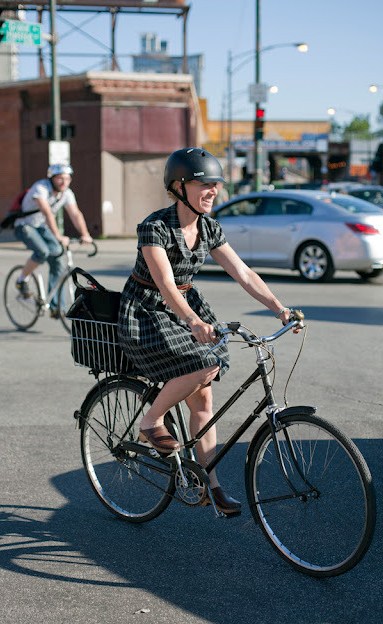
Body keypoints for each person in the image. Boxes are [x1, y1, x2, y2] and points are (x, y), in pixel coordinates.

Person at [118, 148, 299, 516]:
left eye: (216, 184)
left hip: (186, 305)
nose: (214, 190)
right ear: (179, 186)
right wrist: (192, 321)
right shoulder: (155, 227)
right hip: (147, 310)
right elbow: (165, 283)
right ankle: (150, 421)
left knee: (203, 399)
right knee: (204, 365)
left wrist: (279, 309)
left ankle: (210, 485)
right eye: (205, 184)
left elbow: (244, 273)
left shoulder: (210, 228)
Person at [13, 164, 93, 316]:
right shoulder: (40, 188)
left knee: (57, 258)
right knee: (42, 252)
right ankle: (22, 279)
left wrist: (85, 234)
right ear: (52, 178)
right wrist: (58, 236)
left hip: (42, 228)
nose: (64, 182)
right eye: (60, 178)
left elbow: (75, 214)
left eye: (67, 179)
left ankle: (55, 306)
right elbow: (47, 213)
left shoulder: (67, 193)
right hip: (25, 226)